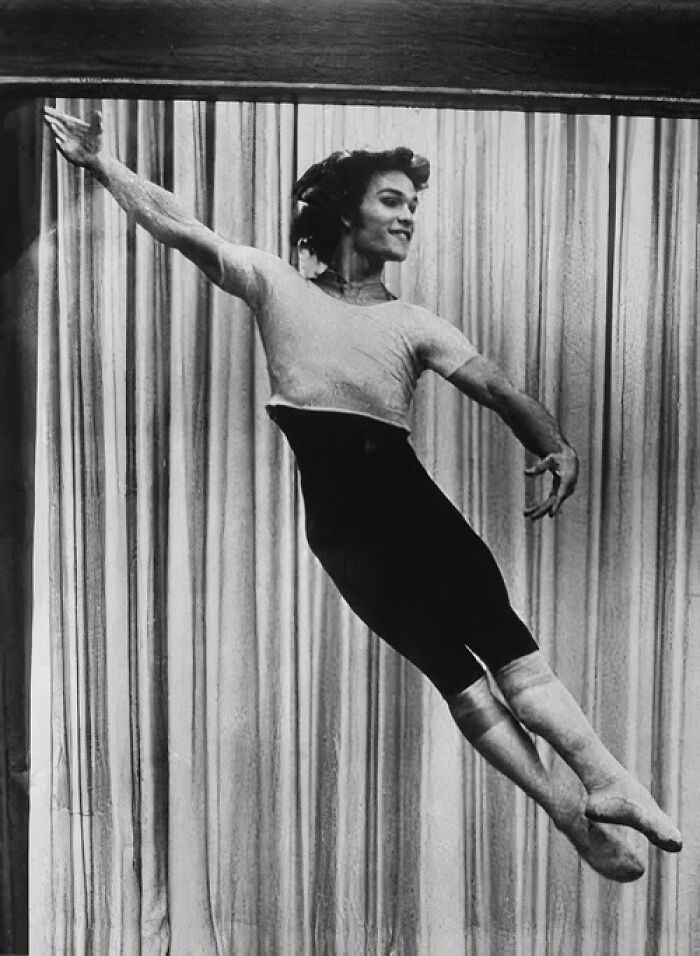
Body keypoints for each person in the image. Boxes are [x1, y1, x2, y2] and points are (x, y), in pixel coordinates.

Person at [44, 106, 682, 883]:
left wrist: (552, 444)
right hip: (342, 534)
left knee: (511, 652)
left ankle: (609, 780)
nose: (408, 216)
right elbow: (182, 229)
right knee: (456, 676)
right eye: (392, 200)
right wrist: (103, 165)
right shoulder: (275, 284)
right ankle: (570, 814)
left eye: (413, 206)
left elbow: (497, 386)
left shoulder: (415, 323)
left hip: (409, 509)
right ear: (347, 210)